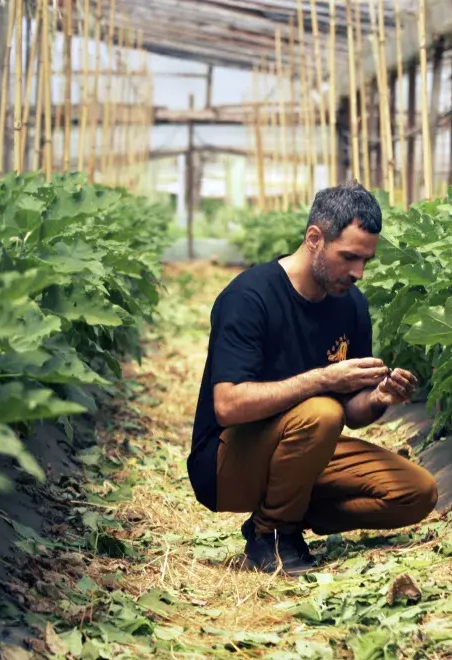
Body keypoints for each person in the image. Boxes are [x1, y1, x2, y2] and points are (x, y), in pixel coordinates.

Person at [187, 182, 438, 575]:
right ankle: (272, 535)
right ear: (315, 239)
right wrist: (324, 379)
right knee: (321, 411)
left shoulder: (351, 305)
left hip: (305, 451)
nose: (358, 273)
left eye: (366, 261)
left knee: (416, 493)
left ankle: (278, 516)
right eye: (350, 257)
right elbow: (228, 405)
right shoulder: (249, 297)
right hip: (225, 463)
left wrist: (378, 398)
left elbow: (351, 414)